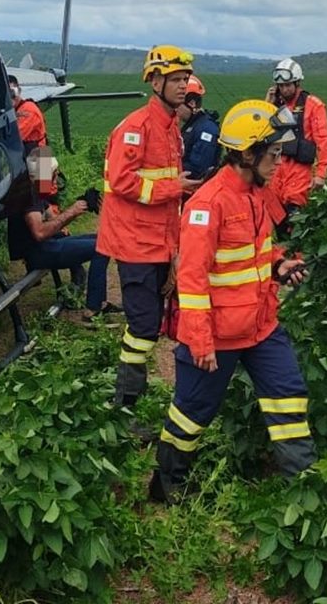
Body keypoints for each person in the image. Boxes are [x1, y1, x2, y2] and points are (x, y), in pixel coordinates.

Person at [149, 99, 316, 504]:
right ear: (247, 153)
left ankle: (308, 491)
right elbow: (191, 279)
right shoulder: (209, 204)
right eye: (274, 153)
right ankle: (167, 485)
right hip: (217, 336)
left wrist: (279, 265)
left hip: (261, 327)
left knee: (289, 395)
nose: (279, 161)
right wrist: (200, 341)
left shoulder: (257, 192)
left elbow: (256, 251)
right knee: (191, 412)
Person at [97, 45, 203, 408]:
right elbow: (122, 182)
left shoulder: (171, 126)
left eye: (185, 78)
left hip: (157, 240)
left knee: (150, 324)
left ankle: (131, 398)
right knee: (143, 328)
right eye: (175, 79)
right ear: (155, 81)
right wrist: (177, 187)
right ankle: (125, 404)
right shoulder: (136, 127)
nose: (182, 85)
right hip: (135, 242)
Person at [7, 147, 115, 317]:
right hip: (38, 252)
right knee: (101, 247)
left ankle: (95, 300)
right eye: (54, 175)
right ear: (41, 175)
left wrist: (82, 202)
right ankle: (94, 308)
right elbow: (40, 233)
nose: (56, 180)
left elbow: (54, 219)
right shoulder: (28, 195)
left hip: (47, 244)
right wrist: (71, 212)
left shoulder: (35, 189)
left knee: (104, 239)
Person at [265, 58, 327, 230]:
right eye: (281, 86)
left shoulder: (313, 105)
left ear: (297, 82)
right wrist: (267, 104)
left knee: (295, 221)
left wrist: (321, 174)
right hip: (276, 170)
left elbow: (323, 140)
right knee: (274, 219)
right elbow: (260, 132)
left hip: (300, 171)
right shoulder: (273, 106)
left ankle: (297, 254)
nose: (284, 89)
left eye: (288, 85)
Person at [178, 74, 221, 182]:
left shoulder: (206, 130)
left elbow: (198, 169)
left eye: (177, 105)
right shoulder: (193, 125)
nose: (174, 109)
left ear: (191, 103)